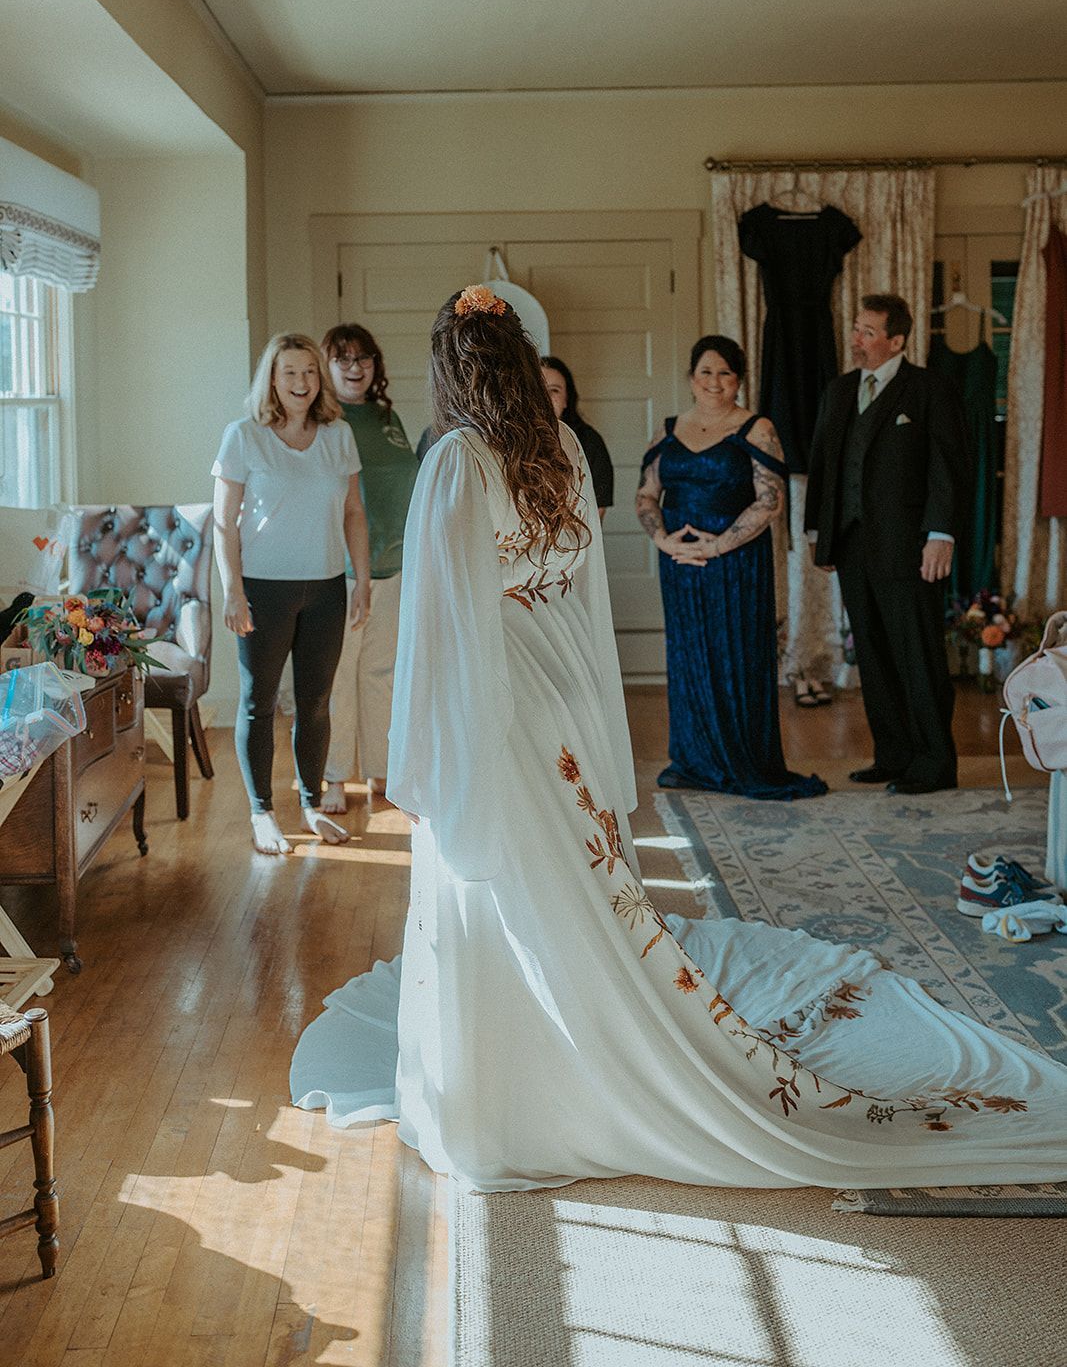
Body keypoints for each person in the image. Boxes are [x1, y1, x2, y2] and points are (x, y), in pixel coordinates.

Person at [290, 287, 1067, 1196]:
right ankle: (561, 1045)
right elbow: (580, 607)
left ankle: (510, 1086)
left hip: (488, 708)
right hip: (553, 710)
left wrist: (419, 763)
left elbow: (440, 621)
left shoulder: (458, 460)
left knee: (498, 894)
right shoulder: (562, 452)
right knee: (564, 887)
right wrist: (593, 726)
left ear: (451, 370)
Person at [636, 335, 826, 799]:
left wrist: (717, 546)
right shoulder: (667, 429)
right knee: (689, 657)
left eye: (725, 372)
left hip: (736, 564)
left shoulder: (757, 428)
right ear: (691, 378)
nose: (715, 382)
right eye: (706, 372)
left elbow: (770, 503)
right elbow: (645, 495)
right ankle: (696, 760)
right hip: (680, 564)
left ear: (739, 380)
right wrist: (662, 539)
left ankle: (743, 759)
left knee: (736, 658)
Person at [805, 295, 971, 794]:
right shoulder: (839, 391)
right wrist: (821, 532)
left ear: (897, 341)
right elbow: (824, 464)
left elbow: (950, 467)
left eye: (868, 332)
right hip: (854, 544)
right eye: (856, 329)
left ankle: (935, 762)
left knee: (917, 653)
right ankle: (894, 754)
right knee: (873, 653)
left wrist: (940, 534)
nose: (856, 340)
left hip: (910, 548)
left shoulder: (929, 390)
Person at [212, 333, 370, 854]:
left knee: (316, 703)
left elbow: (353, 513)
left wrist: (362, 580)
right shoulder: (243, 437)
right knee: (259, 703)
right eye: (289, 373)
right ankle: (261, 813)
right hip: (262, 591)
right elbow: (223, 524)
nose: (301, 383)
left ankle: (309, 804)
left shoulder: (338, 435)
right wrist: (233, 590)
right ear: (271, 381)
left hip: (326, 589)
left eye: (308, 372)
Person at [319, 324, 418, 811]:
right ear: (327, 366)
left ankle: (379, 770)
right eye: (343, 359)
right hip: (341, 571)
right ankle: (334, 778)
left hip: (394, 567)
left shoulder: (386, 417)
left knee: (381, 672)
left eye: (364, 359)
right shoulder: (326, 422)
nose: (355, 368)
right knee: (337, 675)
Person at [541, 356, 614, 518]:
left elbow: (597, 511)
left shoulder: (589, 441)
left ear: (567, 399)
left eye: (554, 390)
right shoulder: (510, 442)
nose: (545, 397)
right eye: (538, 389)